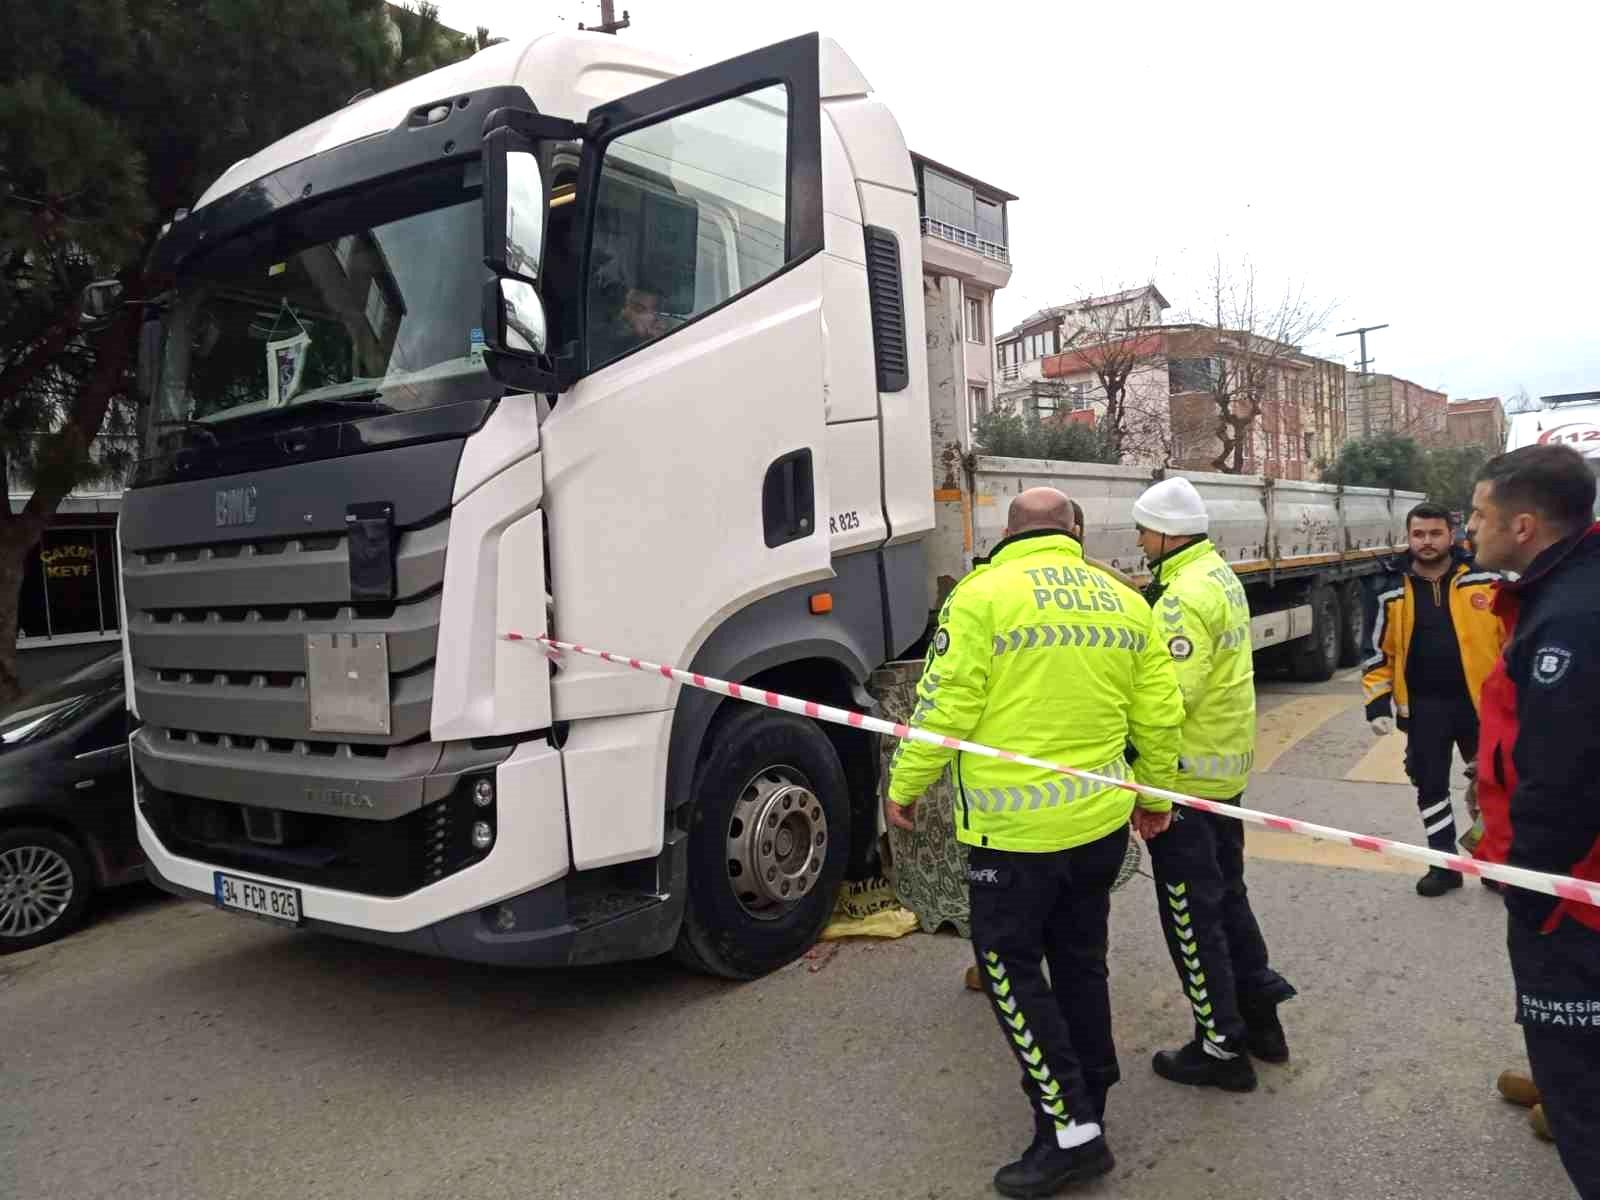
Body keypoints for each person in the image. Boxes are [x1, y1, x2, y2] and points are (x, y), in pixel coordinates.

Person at [886, 486, 1183, 1197]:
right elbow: (1160, 712)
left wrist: (904, 783)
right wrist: (1156, 796)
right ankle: (1094, 1082)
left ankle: (1070, 1130)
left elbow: (945, 704)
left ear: (1006, 531)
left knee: (1010, 971)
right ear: (1073, 531)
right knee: (1081, 959)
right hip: (1100, 826)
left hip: (1013, 834)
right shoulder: (1123, 599)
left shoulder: (983, 595)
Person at [1130, 477, 1297, 1092]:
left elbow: (1168, 701)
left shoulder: (1180, 598)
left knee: (1190, 912)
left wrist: (1150, 790)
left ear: (1167, 533)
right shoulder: (1217, 575)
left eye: (1144, 529)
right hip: (1223, 772)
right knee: (1228, 896)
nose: (1140, 540)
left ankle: (1221, 1048)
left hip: (1186, 780)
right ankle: (1261, 1022)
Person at [1465, 443, 1600, 1199]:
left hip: (1572, 889)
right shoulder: (1565, 588)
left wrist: (1534, 892)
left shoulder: (1574, 617)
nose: (1467, 529)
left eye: (1478, 516)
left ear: (1522, 525)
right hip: (1572, 880)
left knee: (1582, 1085)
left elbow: (1564, 779)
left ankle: (1567, 1080)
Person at [1362, 503, 1502, 896]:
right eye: (1418, 534)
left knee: (1493, 787)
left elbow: (1513, 642)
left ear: (1451, 534)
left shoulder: (1486, 580)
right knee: (1430, 786)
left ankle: (1494, 863)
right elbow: (1376, 654)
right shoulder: (1389, 588)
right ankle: (1444, 865)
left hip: (1482, 707)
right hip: (1424, 709)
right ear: (1409, 537)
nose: (1426, 542)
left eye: (1434, 533)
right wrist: (1377, 704)